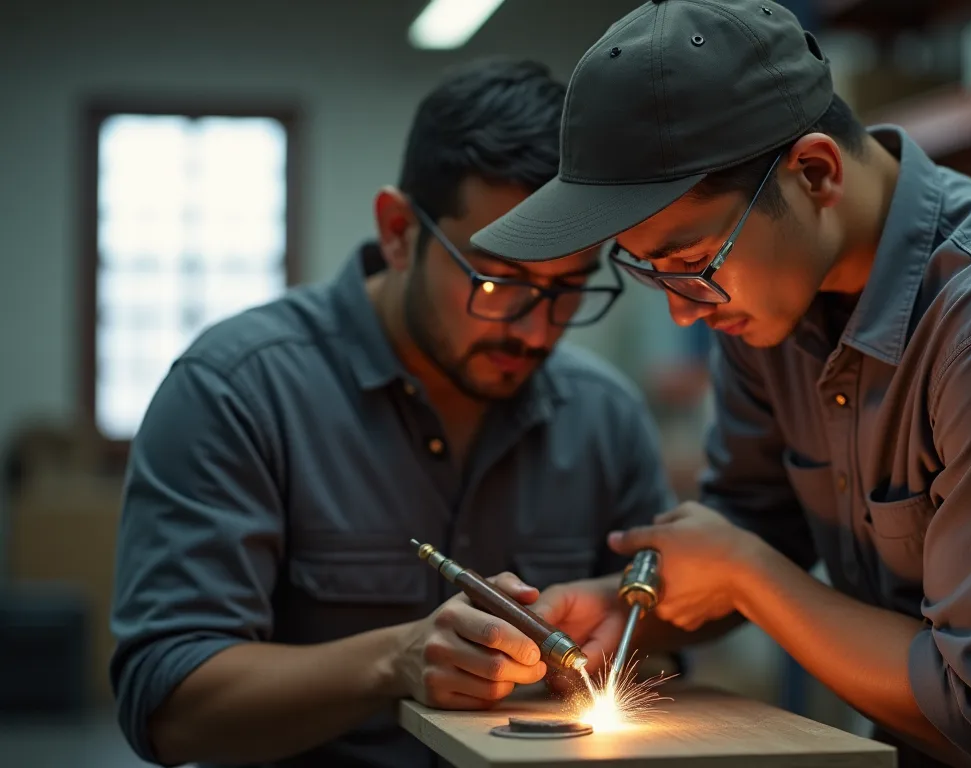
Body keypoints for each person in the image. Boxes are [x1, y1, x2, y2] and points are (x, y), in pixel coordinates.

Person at [467, 2, 971, 767]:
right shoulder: (764, 299)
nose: (685, 311)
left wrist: (745, 572)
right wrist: (624, 606)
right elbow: (753, 519)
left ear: (815, 174)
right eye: (653, 273)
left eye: (692, 264)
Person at [108, 58, 679, 768]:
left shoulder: (605, 416)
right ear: (399, 230)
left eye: (568, 290)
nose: (535, 332)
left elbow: (659, 654)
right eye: (498, 282)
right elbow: (166, 706)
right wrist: (393, 661)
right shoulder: (237, 390)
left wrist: (625, 634)